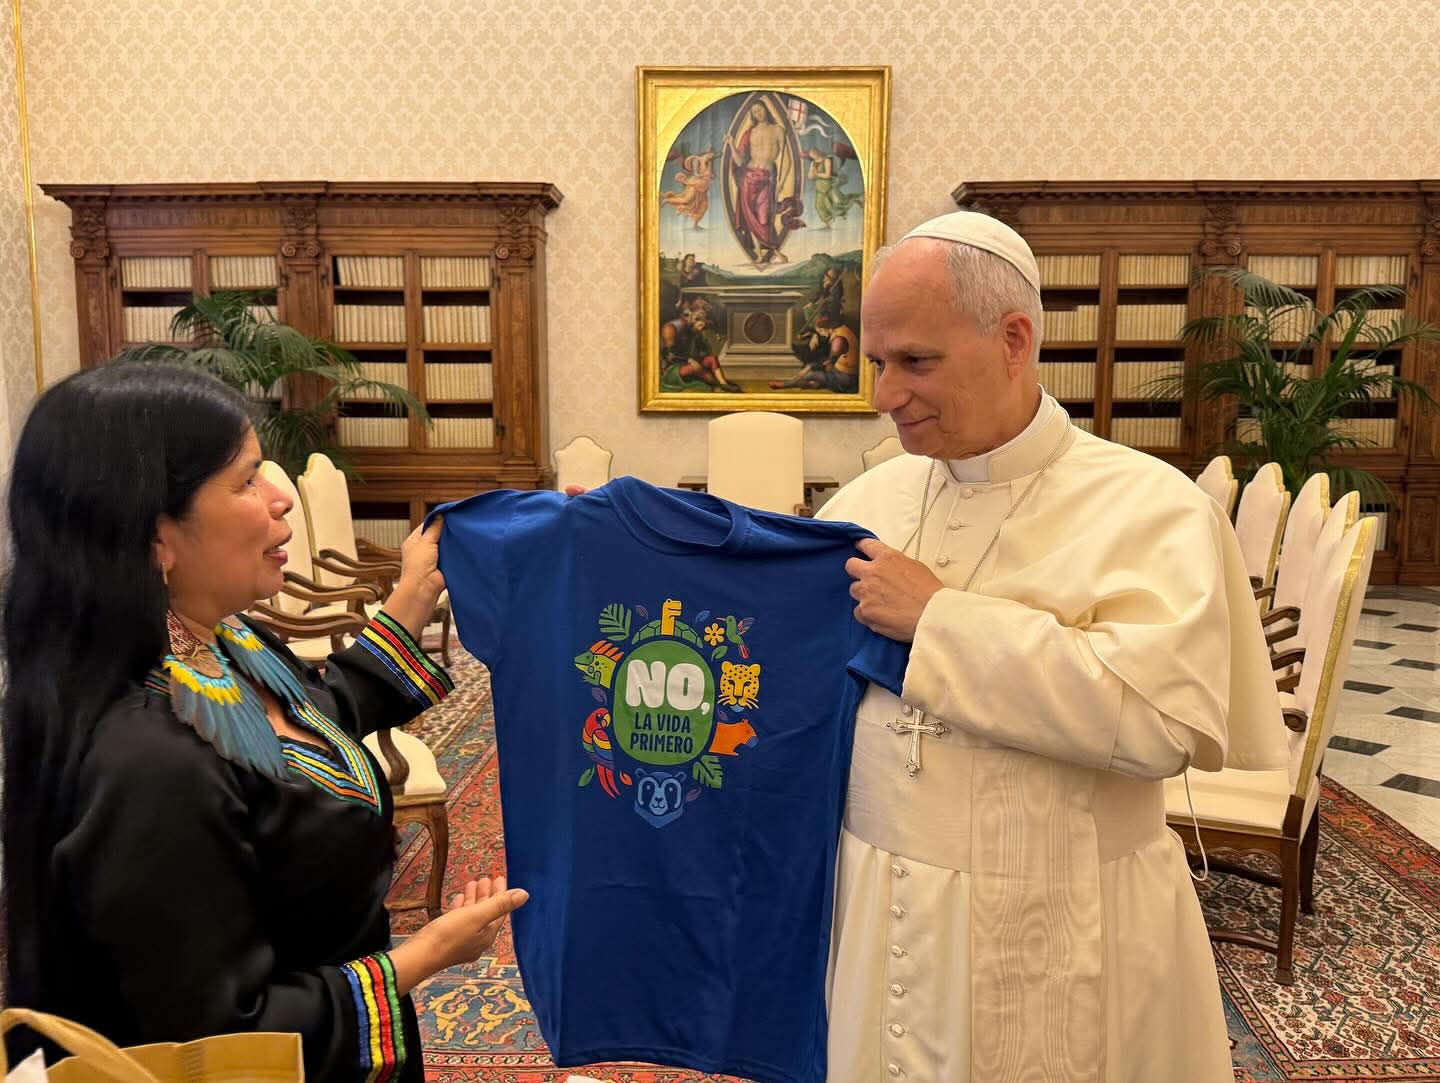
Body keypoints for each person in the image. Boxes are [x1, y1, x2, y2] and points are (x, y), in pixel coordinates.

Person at [818, 212, 1287, 1081]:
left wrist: (940, 621)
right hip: (880, 901)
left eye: (916, 361)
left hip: (1069, 913)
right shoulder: (864, 503)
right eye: (877, 362)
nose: (886, 395)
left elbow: (1163, 723)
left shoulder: (1151, 508)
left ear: (1013, 340)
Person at [2, 363, 527, 1080]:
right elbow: (223, 1035)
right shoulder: (148, 762)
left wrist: (412, 592)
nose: (280, 496)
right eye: (247, 480)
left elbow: (312, 722)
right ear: (157, 536)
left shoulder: (218, 644)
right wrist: (426, 953)